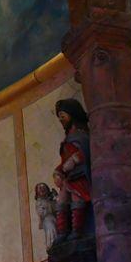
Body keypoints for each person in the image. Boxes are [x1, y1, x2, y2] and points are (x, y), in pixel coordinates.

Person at [52, 98, 91, 243]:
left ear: (72, 114)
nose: (61, 120)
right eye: (59, 117)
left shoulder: (81, 135)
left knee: (77, 199)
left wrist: (74, 160)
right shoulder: (68, 139)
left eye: (62, 116)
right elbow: (63, 163)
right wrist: (58, 172)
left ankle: (77, 231)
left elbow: (86, 152)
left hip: (80, 176)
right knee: (61, 201)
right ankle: (62, 232)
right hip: (69, 178)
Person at [34, 182, 58, 249]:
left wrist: (56, 198)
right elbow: (41, 213)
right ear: (37, 192)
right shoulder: (39, 202)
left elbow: (57, 208)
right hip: (47, 219)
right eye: (40, 188)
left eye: (44, 187)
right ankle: (52, 244)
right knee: (50, 226)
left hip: (56, 218)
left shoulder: (51, 200)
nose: (42, 189)